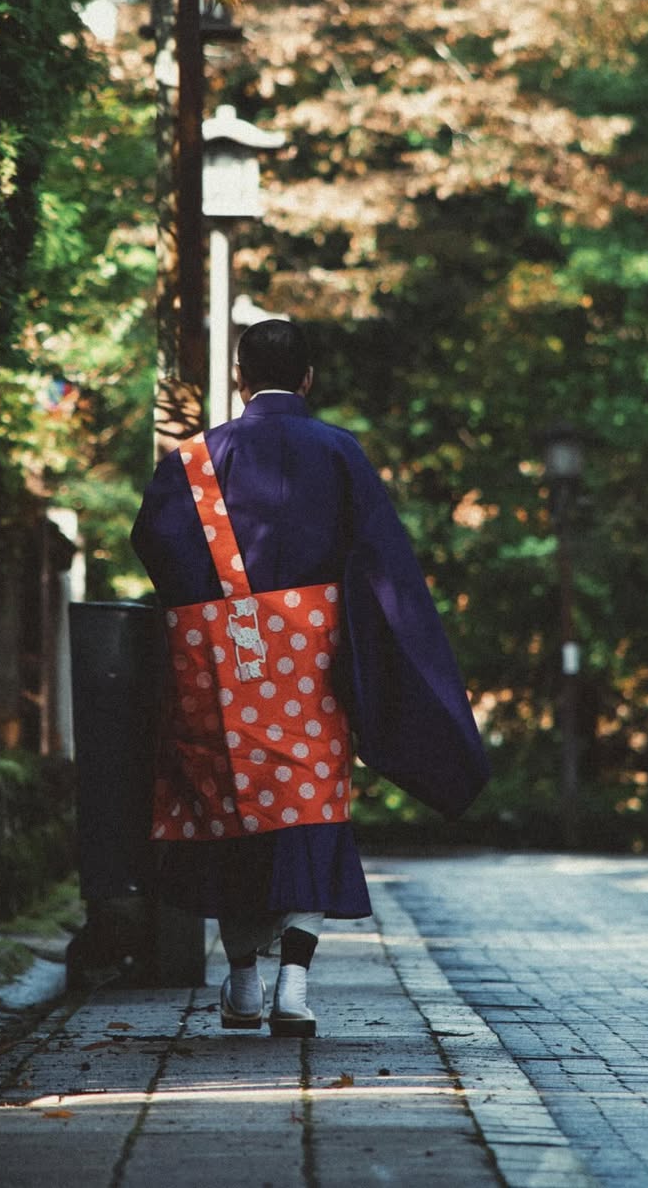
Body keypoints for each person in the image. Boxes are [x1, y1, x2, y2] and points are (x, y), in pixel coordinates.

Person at [131, 319, 489, 1036]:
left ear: (238, 377)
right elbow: (381, 564)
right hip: (312, 666)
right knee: (310, 810)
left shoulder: (198, 457)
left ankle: (240, 981)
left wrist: (220, 604)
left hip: (222, 663)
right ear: (309, 379)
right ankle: (294, 982)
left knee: (234, 809)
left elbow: (155, 540)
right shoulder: (340, 453)